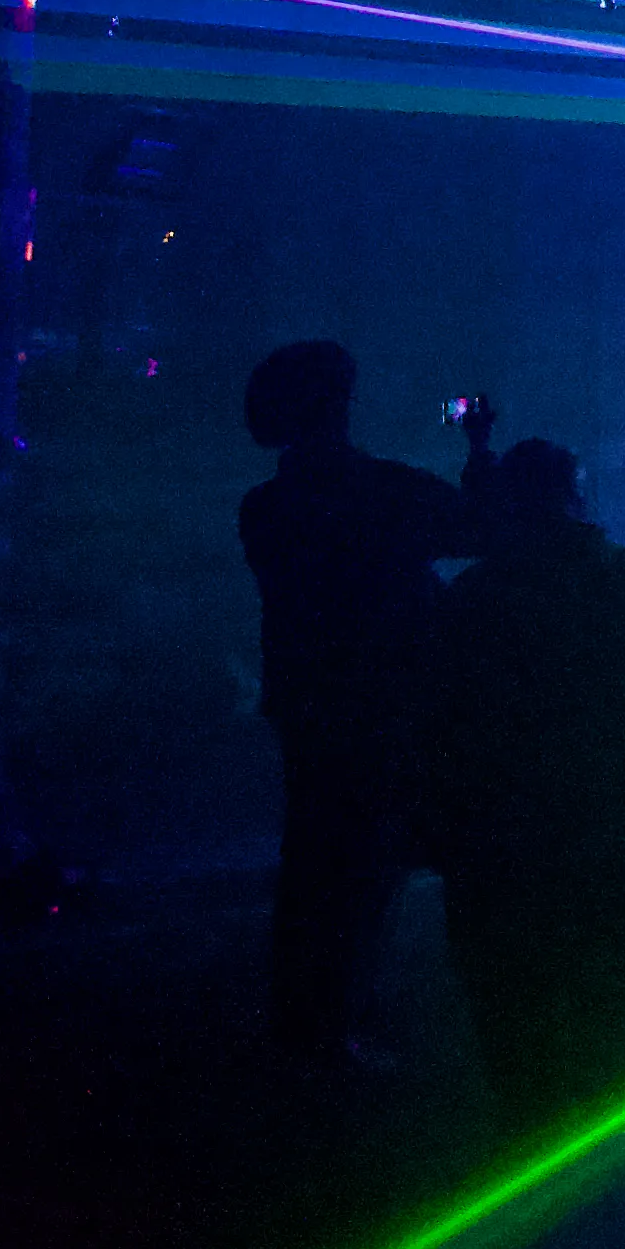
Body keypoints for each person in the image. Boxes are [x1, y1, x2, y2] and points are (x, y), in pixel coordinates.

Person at [429, 439, 625, 1124]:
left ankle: (528, 1120)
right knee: (614, 970)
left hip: (506, 825)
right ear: (579, 496)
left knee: (511, 976)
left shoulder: (477, 595)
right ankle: (607, 1120)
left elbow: (437, 715)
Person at [236, 339, 495, 1069]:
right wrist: (479, 443)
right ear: (337, 404)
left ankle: (304, 1018)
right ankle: (338, 1025)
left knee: (313, 860)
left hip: (308, 703)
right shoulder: (383, 490)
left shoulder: (265, 506)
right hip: (385, 703)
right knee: (366, 866)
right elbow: (480, 529)